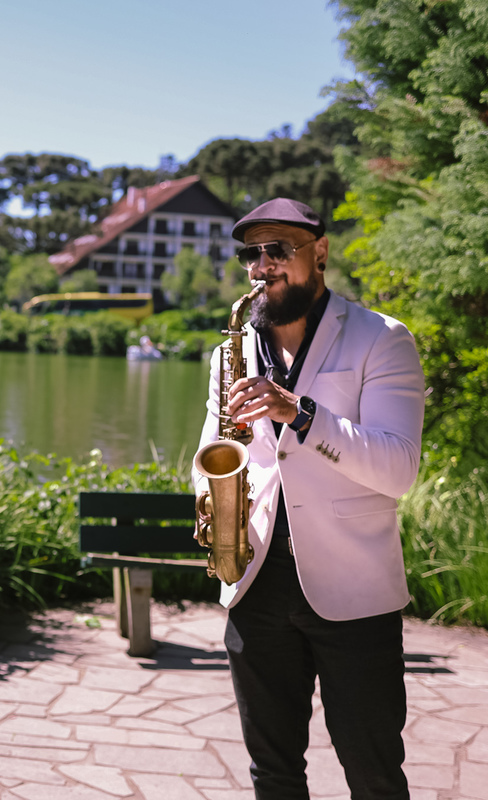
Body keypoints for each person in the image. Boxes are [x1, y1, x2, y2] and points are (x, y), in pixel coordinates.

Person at [193, 198, 425, 799]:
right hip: (255, 581)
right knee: (272, 772)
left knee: (373, 772)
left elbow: (398, 468)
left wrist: (300, 413)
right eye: (252, 253)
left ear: (319, 253)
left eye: (278, 250)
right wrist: (213, 501)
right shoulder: (232, 351)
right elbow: (212, 450)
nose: (262, 266)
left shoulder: (382, 338)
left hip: (354, 589)